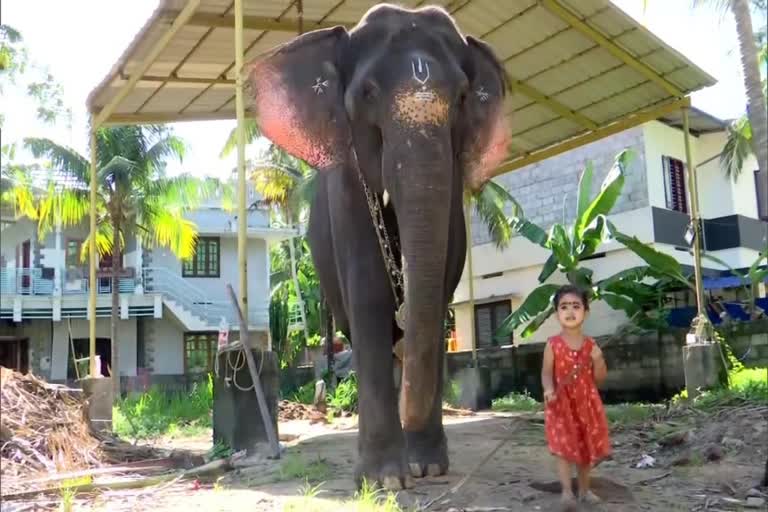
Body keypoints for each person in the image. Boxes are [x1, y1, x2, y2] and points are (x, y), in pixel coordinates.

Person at [541, 284, 611, 507]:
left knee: (585, 448)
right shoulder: (553, 344)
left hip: (586, 405)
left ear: (586, 312)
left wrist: (598, 359)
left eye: (576, 306)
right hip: (561, 405)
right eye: (564, 307)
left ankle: (584, 490)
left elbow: (599, 379)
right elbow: (545, 372)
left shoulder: (591, 345)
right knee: (562, 450)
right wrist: (548, 389)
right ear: (556, 314)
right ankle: (566, 492)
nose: (570, 311)